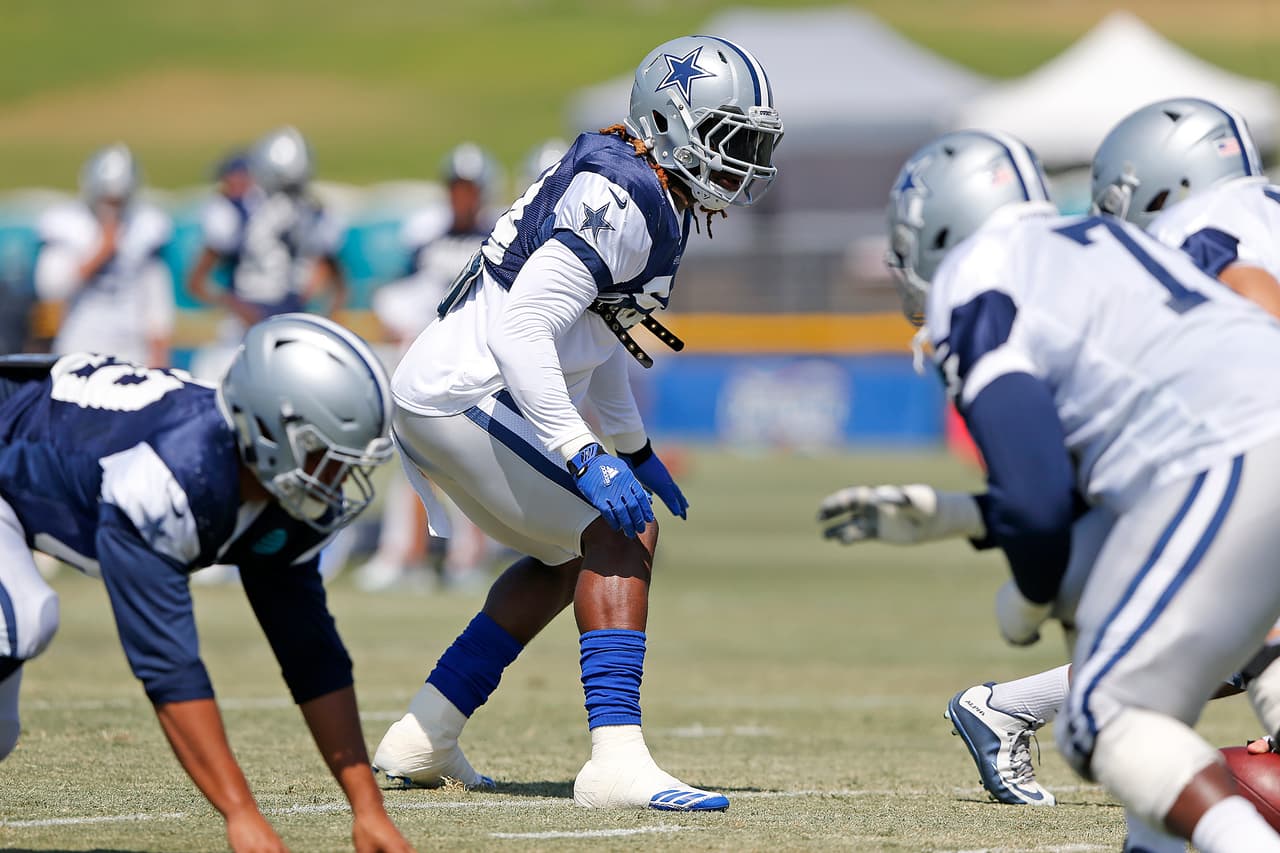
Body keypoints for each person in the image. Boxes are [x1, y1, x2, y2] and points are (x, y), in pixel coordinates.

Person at [819, 99, 1280, 834]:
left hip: (1233, 443)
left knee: (1110, 717)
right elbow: (1089, 487)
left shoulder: (980, 276)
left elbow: (1040, 499)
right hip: (1222, 449)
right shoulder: (1099, 244)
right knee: (1202, 655)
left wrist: (1029, 600)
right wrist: (963, 516)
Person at [371, 35, 783, 811]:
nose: (744, 161)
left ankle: (424, 733)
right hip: (473, 385)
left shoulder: (651, 189)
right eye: (730, 139)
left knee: (570, 556)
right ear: (671, 124)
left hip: (463, 386)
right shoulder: (625, 194)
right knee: (620, 530)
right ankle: (616, 760)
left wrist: (634, 447)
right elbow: (525, 329)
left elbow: (596, 341)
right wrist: (585, 452)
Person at [0, 314, 412, 853]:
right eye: (324, 456)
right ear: (269, 429)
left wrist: (368, 808)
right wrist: (240, 814)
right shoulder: (169, 476)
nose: (335, 481)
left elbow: (309, 650)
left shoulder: (269, 483)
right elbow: (167, 665)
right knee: (21, 620)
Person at [357, 143, 503, 592]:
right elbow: (400, 295)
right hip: (427, 361)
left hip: (474, 364)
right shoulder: (425, 235)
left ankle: (466, 557)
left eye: (470, 188)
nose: (463, 197)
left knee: (474, 462)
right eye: (456, 188)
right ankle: (407, 555)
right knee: (412, 459)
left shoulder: (502, 234)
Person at [186, 128, 347, 382]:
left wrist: (323, 318)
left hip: (294, 328)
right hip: (240, 331)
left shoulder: (315, 213)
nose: (288, 194)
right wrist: (236, 306)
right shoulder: (234, 212)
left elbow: (337, 280)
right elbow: (197, 281)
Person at [34, 144, 175, 368]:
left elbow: (156, 294)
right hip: (79, 346)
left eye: (118, 201)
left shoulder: (145, 224)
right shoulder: (67, 223)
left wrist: (159, 350)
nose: (112, 208)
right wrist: (99, 253)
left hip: (133, 349)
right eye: (107, 200)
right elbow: (50, 288)